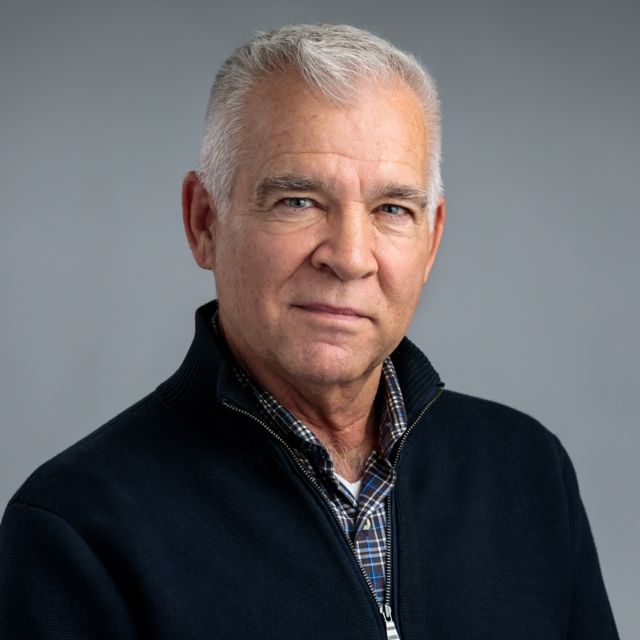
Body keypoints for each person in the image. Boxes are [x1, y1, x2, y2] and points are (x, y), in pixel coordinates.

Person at [0, 24, 618, 639]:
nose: (349, 257)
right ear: (204, 221)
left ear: (431, 242)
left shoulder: (527, 473)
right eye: (298, 201)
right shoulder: (76, 527)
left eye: (392, 209)